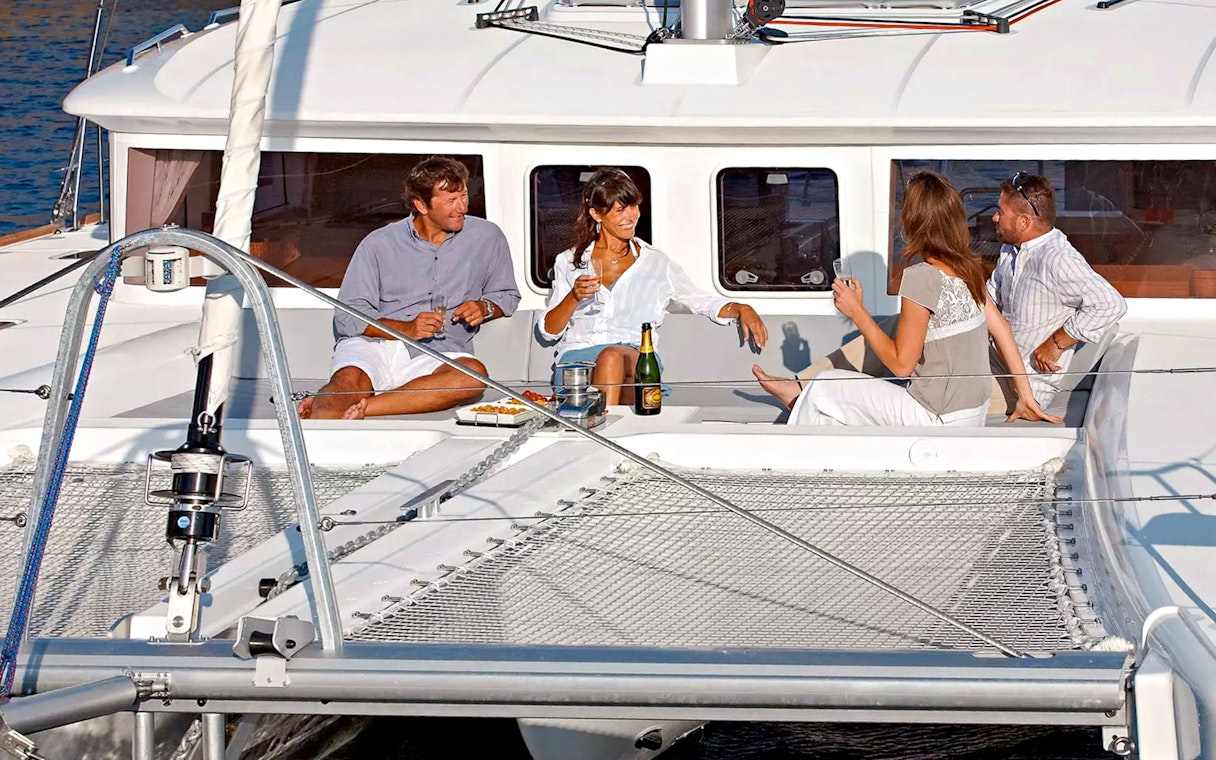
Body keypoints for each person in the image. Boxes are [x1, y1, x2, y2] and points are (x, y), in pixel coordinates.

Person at [756, 171, 1126, 419]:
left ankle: (807, 394)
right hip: (985, 365)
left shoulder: (1057, 259)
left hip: (1004, 382)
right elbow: (997, 323)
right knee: (898, 323)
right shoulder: (1006, 254)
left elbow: (1111, 304)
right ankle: (800, 384)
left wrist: (1058, 343)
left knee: (842, 385)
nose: (993, 218)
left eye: (999, 212)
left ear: (1025, 223)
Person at [298, 156, 520, 419]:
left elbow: (506, 295)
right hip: (376, 345)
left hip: (441, 353)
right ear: (421, 205)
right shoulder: (378, 243)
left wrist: (485, 307)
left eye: (464, 196)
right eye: (451, 201)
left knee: (472, 377)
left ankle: (365, 408)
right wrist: (406, 328)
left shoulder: (487, 236)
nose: (462, 207)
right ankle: (330, 416)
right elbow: (348, 316)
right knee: (345, 384)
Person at [540, 168, 768, 406]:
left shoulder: (655, 262)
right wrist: (574, 297)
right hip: (578, 364)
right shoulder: (569, 261)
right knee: (609, 360)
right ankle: (605, 430)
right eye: (620, 210)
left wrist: (741, 307)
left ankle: (596, 432)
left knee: (612, 357)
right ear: (597, 214)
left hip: (636, 360)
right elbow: (549, 331)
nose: (631, 216)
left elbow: (699, 300)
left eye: (634, 206)